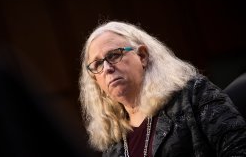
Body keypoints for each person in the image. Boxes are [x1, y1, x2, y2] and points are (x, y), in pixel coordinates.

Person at [78, 21, 246, 157]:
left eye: (114, 55)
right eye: (98, 64)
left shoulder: (192, 94)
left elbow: (239, 148)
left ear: (142, 56)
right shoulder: (112, 145)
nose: (106, 68)